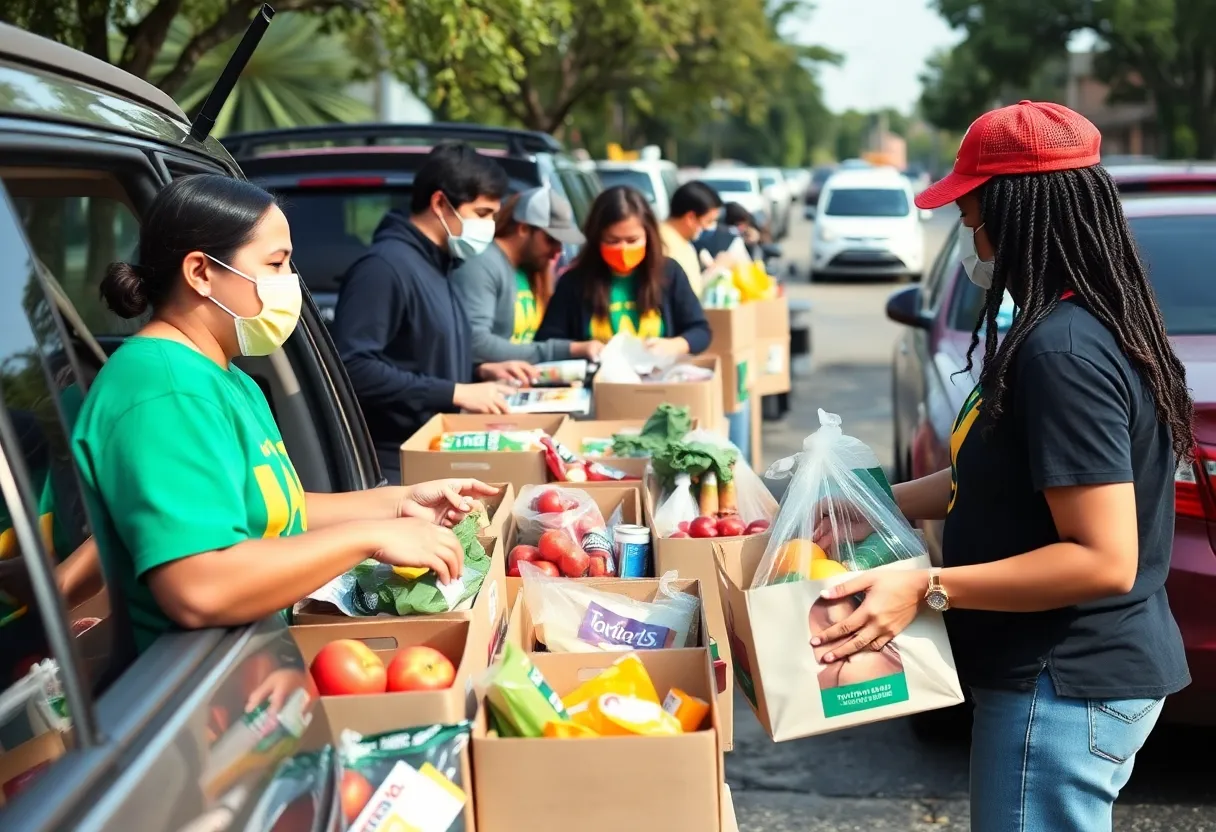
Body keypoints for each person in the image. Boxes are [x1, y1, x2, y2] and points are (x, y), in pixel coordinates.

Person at [808, 102, 1190, 832]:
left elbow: (1104, 558)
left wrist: (929, 586)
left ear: (1015, 215)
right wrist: (876, 502)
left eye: (970, 214)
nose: (965, 236)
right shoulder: (1058, 329)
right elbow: (999, 480)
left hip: (1062, 684)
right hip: (1061, 676)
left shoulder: (1064, 353)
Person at [71, 174, 494, 653]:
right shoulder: (163, 390)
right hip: (186, 685)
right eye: (275, 264)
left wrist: (398, 504)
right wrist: (369, 537)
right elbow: (200, 587)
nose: (290, 283)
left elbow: (275, 511)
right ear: (200, 273)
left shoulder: (229, 378)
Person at [332, 142, 533, 483]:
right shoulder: (384, 267)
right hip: (393, 463)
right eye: (482, 214)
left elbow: (415, 353)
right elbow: (353, 368)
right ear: (440, 203)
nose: (488, 226)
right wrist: (455, 391)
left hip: (435, 449)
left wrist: (478, 371)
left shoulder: (440, 262)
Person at [535, 186, 710, 357]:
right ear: (597, 238)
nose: (623, 249)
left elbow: (700, 330)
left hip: (655, 381)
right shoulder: (574, 281)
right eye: (613, 240)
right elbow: (548, 339)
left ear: (648, 237)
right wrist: (580, 348)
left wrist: (676, 345)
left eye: (632, 240)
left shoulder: (669, 273)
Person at [452, 186, 603, 365]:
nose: (558, 251)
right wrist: (567, 349)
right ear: (523, 228)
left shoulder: (532, 270)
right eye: (551, 240)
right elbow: (475, 343)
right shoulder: (483, 264)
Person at [659, 181, 722, 296]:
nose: (710, 227)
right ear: (691, 218)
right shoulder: (663, 244)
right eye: (708, 221)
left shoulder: (682, 242)